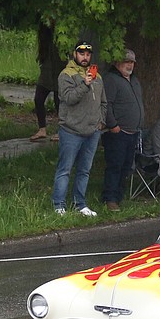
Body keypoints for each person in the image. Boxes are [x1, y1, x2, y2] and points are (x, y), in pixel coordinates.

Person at [52, 41, 106, 217]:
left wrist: (101, 121)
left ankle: (79, 203)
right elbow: (68, 98)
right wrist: (84, 84)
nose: (85, 57)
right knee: (65, 169)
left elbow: (103, 101)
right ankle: (59, 205)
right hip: (71, 130)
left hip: (92, 131)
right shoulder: (66, 75)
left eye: (88, 54)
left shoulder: (97, 76)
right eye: (81, 53)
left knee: (84, 170)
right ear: (75, 54)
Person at [100, 49, 144, 212]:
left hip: (132, 133)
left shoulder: (134, 80)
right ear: (117, 63)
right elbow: (106, 104)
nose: (130, 65)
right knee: (115, 165)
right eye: (127, 62)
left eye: (132, 62)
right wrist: (113, 125)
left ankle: (119, 196)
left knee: (126, 166)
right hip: (118, 133)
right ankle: (110, 198)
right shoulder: (111, 79)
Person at [30, 22, 62, 142]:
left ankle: (61, 131)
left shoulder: (62, 34)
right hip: (47, 73)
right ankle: (42, 129)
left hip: (60, 72)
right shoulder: (45, 35)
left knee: (59, 102)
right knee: (38, 99)